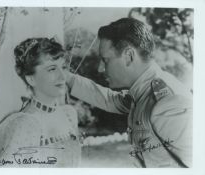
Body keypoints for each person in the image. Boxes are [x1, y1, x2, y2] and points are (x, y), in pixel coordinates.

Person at [65, 18, 192, 168]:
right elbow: (109, 99)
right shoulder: (143, 92)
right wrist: (65, 76)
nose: (100, 68)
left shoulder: (167, 103)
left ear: (129, 56)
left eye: (105, 60)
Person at [0, 38, 81, 167]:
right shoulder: (23, 125)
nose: (62, 76)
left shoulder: (69, 114)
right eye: (52, 69)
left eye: (63, 67)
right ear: (31, 79)